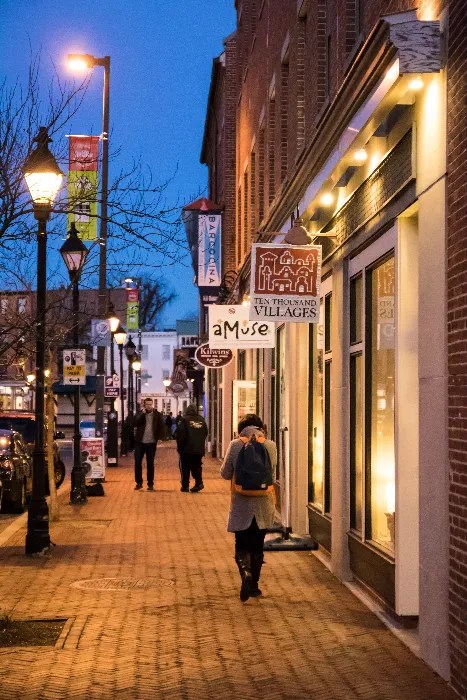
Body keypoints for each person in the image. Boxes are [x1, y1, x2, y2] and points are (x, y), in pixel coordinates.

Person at [220, 414, 277, 602]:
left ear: (241, 428)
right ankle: (254, 587)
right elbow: (273, 470)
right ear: (260, 427)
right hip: (263, 502)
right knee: (258, 545)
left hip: (241, 503)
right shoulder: (270, 445)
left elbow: (225, 473)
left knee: (241, 543)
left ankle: (245, 573)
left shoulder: (236, 444)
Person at [133, 398, 164, 490]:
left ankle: (150, 483)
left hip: (151, 442)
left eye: (150, 404)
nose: (149, 406)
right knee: (137, 462)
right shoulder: (140, 414)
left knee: (150, 463)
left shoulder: (157, 415)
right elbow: (135, 423)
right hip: (140, 442)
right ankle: (139, 483)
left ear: (152, 404)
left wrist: (160, 438)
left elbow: (161, 427)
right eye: (147, 404)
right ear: (144, 405)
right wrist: (142, 414)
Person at [176, 405, 208, 493]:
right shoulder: (201, 419)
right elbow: (206, 432)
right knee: (197, 466)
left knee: (185, 467)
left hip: (186, 449)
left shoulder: (184, 419)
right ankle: (199, 483)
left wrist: (180, 447)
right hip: (198, 449)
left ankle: (185, 486)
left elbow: (180, 434)